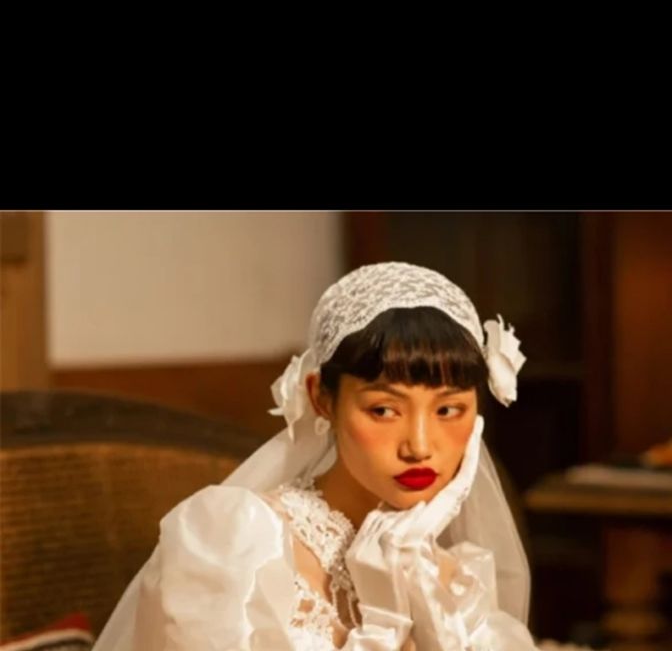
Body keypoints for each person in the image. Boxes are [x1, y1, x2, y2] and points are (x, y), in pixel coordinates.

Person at [93, 261, 538, 650]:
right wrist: (384, 626)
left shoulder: (448, 575)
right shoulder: (232, 542)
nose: (419, 445)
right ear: (322, 399)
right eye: (384, 410)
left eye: (448, 410)